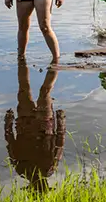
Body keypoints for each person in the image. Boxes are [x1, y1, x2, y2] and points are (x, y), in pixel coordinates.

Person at [4, 62, 65, 193]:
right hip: (42, 123)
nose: (39, 183)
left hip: (26, 123)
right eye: (41, 186)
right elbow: (59, 144)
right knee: (43, 91)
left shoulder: (22, 170)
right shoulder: (49, 168)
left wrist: (8, 123)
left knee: (30, 88)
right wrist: (61, 122)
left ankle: (23, 60)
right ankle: (53, 62)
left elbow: (10, 143)